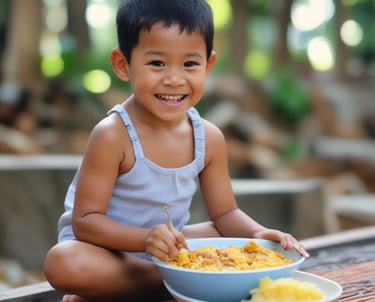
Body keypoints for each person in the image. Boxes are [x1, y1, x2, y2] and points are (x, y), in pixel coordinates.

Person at [44, 0, 309, 301]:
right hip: (105, 251)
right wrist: (145, 240)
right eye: (157, 63)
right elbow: (86, 221)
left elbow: (225, 212)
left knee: (221, 235)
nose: (174, 78)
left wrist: (257, 235)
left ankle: (139, 286)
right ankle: (176, 283)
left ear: (208, 65)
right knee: (63, 262)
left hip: (170, 250)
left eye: (190, 64)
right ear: (123, 65)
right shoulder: (113, 135)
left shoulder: (208, 137)